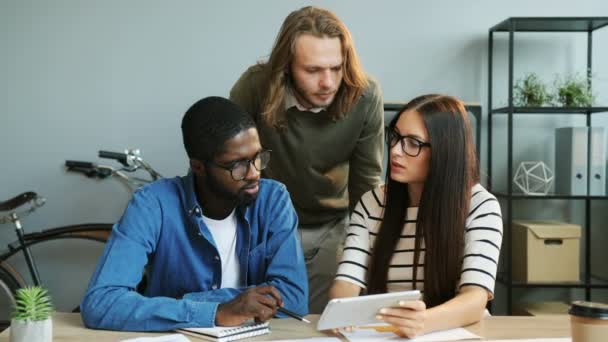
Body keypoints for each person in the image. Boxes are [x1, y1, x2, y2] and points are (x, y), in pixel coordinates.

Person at [80, 96, 308, 331]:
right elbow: (101, 303)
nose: (253, 173)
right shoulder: (153, 204)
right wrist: (217, 312)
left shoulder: (273, 200)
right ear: (198, 167)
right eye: (237, 165)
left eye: (257, 158)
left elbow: (293, 299)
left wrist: (187, 303)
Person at [230, 6, 384, 313]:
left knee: (314, 323)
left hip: (328, 228)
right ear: (286, 66)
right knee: (255, 321)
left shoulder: (366, 96)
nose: (328, 82)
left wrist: (367, 257)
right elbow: (229, 167)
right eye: (312, 70)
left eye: (336, 68)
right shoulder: (253, 87)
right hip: (262, 225)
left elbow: (366, 186)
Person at [329, 95, 502, 338]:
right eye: (396, 137)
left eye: (413, 143)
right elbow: (347, 281)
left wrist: (424, 321)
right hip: (388, 333)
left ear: (445, 152)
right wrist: (342, 312)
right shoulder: (373, 202)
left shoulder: (480, 205)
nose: (395, 151)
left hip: (458, 333)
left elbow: (475, 298)